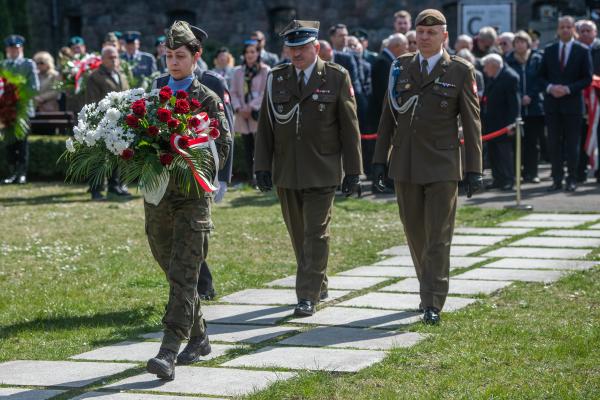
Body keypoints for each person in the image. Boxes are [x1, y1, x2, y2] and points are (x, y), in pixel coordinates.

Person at [372, 9, 482, 325]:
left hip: (443, 165)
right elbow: (387, 118)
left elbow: (472, 122)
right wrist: (380, 159)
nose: (424, 37)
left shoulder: (460, 70)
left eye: (431, 33)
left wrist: (474, 168)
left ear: (444, 36)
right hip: (405, 164)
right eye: (420, 32)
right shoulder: (400, 68)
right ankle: (427, 286)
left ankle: (433, 300)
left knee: (438, 235)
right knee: (415, 233)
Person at [254, 20, 362, 317]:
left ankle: (307, 295)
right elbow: (266, 126)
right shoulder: (277, 77)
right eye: (292, 47)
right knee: (299, 234)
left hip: (322, 167)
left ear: (316, 47)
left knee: (316, 232)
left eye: (302, 47)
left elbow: (349, 127)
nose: (296, 53)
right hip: (287, 169)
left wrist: (353, 171)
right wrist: (261, 166)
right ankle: (319, 281)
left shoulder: (337, 77)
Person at [144, 20, 232, 381]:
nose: (173, 63)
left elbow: (223, 149)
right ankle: (200, 336)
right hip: (158, 199)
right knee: (172, 271)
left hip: (193, 199)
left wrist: (193, 153)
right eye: (168, 56)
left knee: (185, 275)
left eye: (180, 56)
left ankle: (168, 351)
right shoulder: (154, 93)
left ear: (197, 57)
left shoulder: (207, 98)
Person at [539, 15, 592, 192]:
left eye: (568, 27)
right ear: (557, 30)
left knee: (572, 144)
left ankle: (572, 178)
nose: (565, 30)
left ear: (573, 29)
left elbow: (587, 78)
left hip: (572, 105)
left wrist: (568, 89)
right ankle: (556, 178)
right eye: (562, 27)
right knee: (554, 143)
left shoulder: (582, 50)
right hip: (552, 105)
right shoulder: (549, 50)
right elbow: (540, 77)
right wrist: (550, 87)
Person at [85, 46, 131, 200]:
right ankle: (95, 190)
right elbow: (93, 100)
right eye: (110, 57)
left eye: (116, 57)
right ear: (103, 59)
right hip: (102, 122)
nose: (114, 60)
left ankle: (115, 185)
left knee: (116, 154)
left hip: (119, 121)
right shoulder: (95, 76)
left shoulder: (121, 75)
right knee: (99, 158)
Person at [505, 30, 545, 183]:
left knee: (532, 143)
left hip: (535, 108)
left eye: (522, 41)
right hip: (517, 109)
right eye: (517, 42)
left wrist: (531, 95)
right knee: (517, 143)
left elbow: (541, 80)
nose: (520, 44)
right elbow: (508, 81)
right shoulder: (508, 60)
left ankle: (532, 172)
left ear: (528, 43)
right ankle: (517, 173)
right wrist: (519, 97)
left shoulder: (537, 59)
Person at [1, 35, 39, 185]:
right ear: (6, 50)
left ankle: (22, 173)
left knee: (22, 143)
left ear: (21, 49)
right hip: (5, 110)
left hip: (22, 109)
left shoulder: (28, 64)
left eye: (16, 48)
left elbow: (34, 88)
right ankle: (12, 173)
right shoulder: (3, 64)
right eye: (10, 48)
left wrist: (18, 95)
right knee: (9, 143)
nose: (13, 51)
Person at [230, 39, 270, 184]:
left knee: (260, 147)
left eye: (252, 51)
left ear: (258, 53)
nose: (249, 55)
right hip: (242, 113)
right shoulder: (237, 71)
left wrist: (251, 106)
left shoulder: (265, 70)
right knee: (248, 147)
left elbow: (265, 92)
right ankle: (250, 177)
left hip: (257, 113)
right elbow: (233, 92)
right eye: (247, 52)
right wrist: (239, 108)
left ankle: (263, 176)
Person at [481, 54, 520, 191]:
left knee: (505, 155)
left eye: (486, 66)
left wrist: (512, 124)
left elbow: (514, 104)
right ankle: (498, 179)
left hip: (504, 124)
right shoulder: (493, 77)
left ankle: (509, 179)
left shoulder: (510, 77)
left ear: (494, 65)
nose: (484, 70)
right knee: (494, 154)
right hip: (492, 123)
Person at [575, 20, 600, 182]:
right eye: (582, 31)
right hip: (579, 100)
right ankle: (579, 173)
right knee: (580, 136)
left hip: (597, 100)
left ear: (595, 32)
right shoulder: (576, 50)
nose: (584, 33)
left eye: (588, 31)